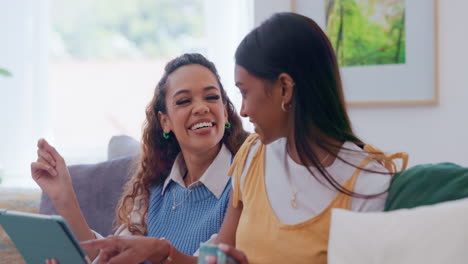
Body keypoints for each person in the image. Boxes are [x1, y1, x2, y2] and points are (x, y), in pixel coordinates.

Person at [81, 12, 407, 264]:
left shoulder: (367, 180)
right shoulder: (252, 157)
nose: (244, 111)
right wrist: (160, 249)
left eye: (245, 92)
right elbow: (213, 260)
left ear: (284, 88)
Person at [31, 53, 249, 264]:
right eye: (184, 101)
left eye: (212, 97)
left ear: (225, 111)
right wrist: (63, 197)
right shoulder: (152, 186)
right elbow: (110, 255)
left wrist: (160, 250)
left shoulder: (246, 179)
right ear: (165, 122)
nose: (201, 108)